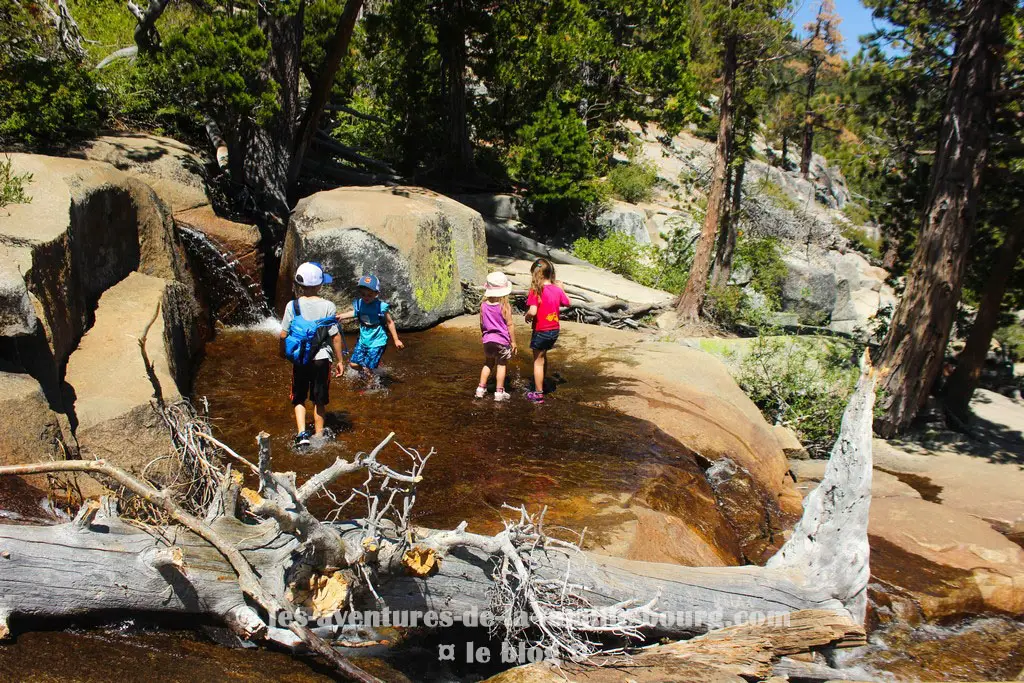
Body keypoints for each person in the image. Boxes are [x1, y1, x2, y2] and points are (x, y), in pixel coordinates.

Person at [280, 262, 346, 447]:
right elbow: (335, 337)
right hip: (322, 359)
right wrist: (340, 360)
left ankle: (302, 434)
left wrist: (283, 353)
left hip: (300, 358)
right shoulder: (328, 306)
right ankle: (318, 436)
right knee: (319, 399)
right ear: (319, 285)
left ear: (300, 285)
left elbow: (283, 334)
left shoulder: (292, 305)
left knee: (298, 397)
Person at [337, 274, 404, 379]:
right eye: (363, 294)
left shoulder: (381, 307)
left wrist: (396, 340)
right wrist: (341, 316)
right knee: (353, 364)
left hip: (378, 341)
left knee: (368, 368)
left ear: (376, 293)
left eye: (369, 295)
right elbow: (355, 313)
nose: (366, 297)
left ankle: (370, 386)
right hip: (364, 340)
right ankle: (373, 367)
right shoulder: (360, 303)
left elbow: (390, 322)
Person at [525, 258, 570, 404]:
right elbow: (567, 302)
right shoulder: (557, 289)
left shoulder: (536, 290)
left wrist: (527, 316)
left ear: (535, 274)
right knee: (543, 356)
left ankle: (538, 394)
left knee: (537, 362)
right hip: (554, 331)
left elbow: (533, 310)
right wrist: (562, 288)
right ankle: (542, 382)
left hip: (541, 331)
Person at [476, 272, 516, 401]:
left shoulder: (483, 305)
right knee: (501, 364)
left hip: (488, 340)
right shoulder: (504, 306)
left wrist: (484, 335)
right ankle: (499, 392)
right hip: (502, 341)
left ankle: (480, 389)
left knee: (488, 363)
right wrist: (513, 342)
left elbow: (482, 323)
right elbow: (509, 325)